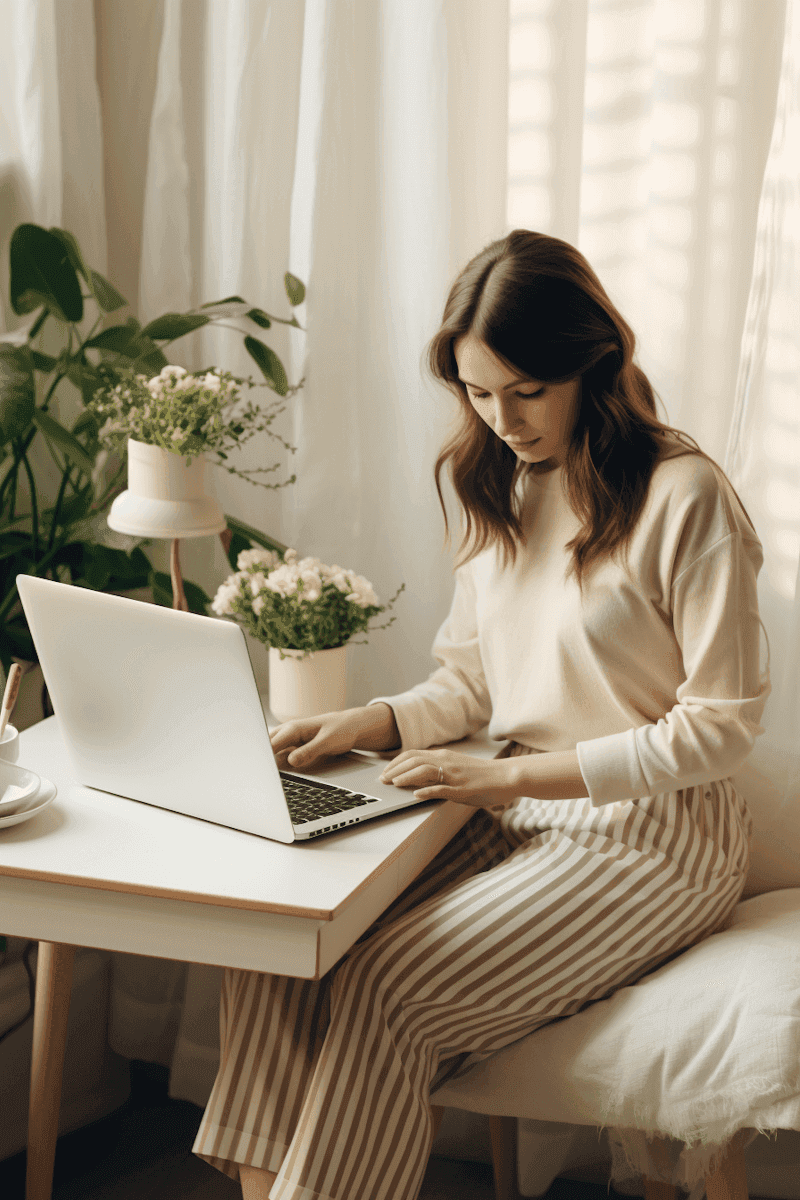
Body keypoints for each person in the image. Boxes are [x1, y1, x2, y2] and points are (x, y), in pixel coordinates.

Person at [193, 229, 771, 1200]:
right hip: (502, 810)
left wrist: (503, 774)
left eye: (524, 391)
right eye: (475, 391)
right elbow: (469, 684)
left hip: (653, 832)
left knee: (385, 990)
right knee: (276, 944)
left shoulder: (684, 495)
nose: (499, 417)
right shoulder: (498, 484)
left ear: (592, 362)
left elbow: (718, 727)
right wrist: (367, 722)